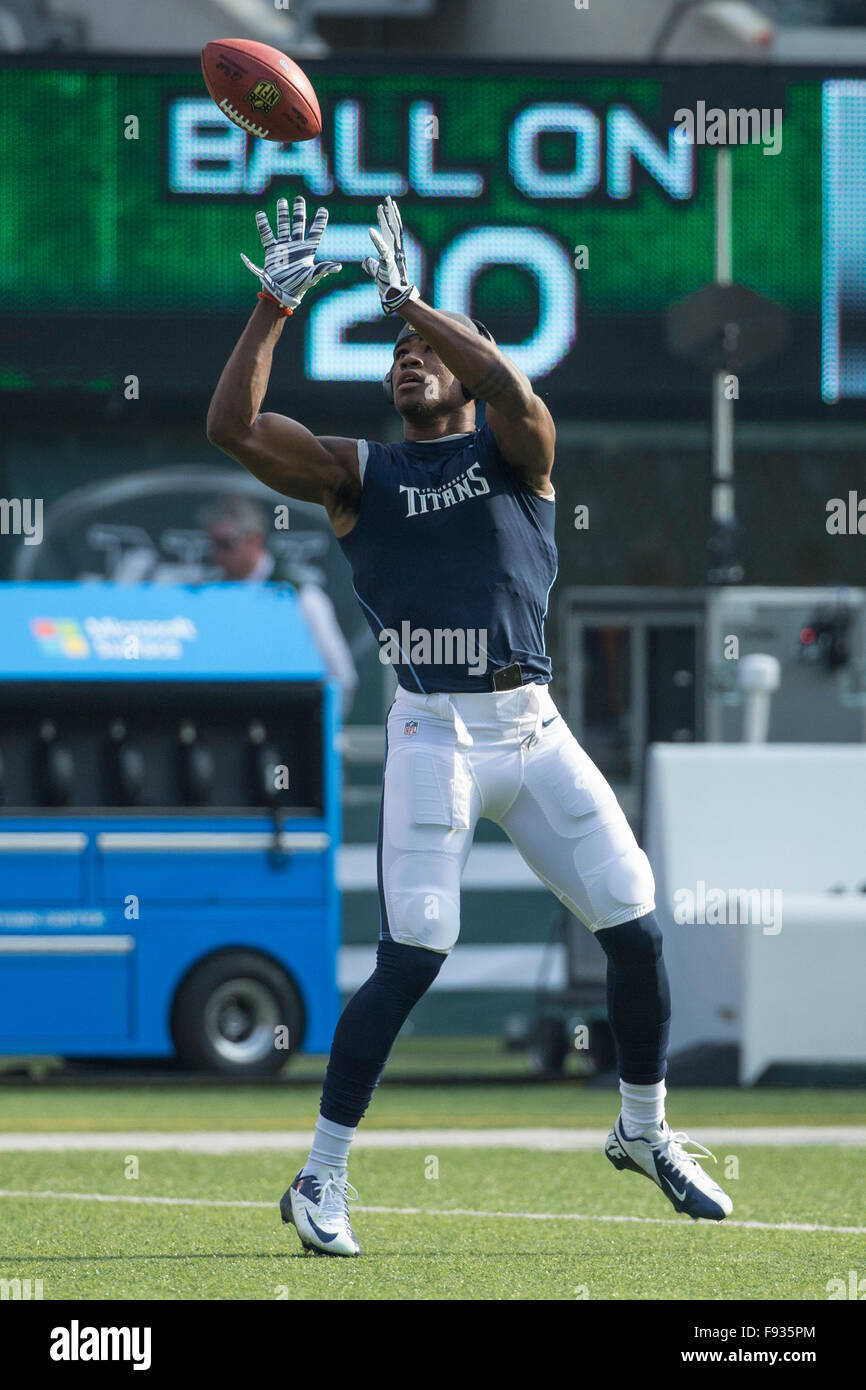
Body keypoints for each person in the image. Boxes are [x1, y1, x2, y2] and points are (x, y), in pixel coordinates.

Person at [206, 193, 732, 1258]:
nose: (407, 359)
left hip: (530, 726)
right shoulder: (361, 474)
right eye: (395, 350)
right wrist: (274, 303)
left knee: (633, 924)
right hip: (432, 733)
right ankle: (319, 1178)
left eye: (424, 349)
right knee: (416, 953)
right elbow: (231, 428)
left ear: (463, 356)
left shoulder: (518, 451)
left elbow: (507, 386)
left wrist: (413, 299)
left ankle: (643, 1131)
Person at [203, 494, 357, 713]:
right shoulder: (210, 597)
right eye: (213, 545)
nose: (217, 555)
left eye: (226, 544)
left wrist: (321, 734)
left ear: (255, 539)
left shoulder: (301, 597)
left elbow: (341, 676)